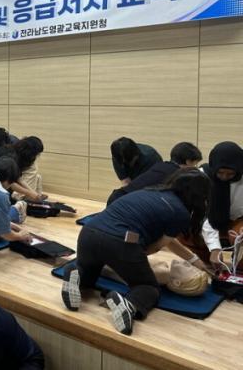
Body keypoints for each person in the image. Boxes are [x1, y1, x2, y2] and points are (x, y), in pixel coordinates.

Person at [61, 168, 211, 335]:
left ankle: (76, 271)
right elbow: (157, 246)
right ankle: (129, 305)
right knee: (148, 287)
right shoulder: (181, 213)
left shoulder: (150, 191)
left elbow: (169, 241)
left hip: (89, 231)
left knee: (89, 274)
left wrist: (194, 260)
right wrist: (132, 258)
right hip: (120, 242)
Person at [107, 142, 202, 205]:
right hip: (128, 204)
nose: (194, 167)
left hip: (117, 197)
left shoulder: (160, 165)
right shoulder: (178, 176)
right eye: (194, 164)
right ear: (188, 161)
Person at [197, 141, 243, 270]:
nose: (224, 177)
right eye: (220, 172)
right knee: (187, 237)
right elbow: (203, 215)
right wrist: (215, 248)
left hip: (238, 221)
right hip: (207, 222)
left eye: (230, 174)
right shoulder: (201, 176)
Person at [11, 136, 45, 202]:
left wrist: (32, 192)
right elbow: (12, 181)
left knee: (37, 176)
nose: (36, 156)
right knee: (33, 171)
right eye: (35, 154)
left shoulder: (19, 149)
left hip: (16, 177)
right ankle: (28, 198)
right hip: (9, 182)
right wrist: (30, 192)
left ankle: (35, 196)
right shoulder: (12, 157)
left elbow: (19, 179)